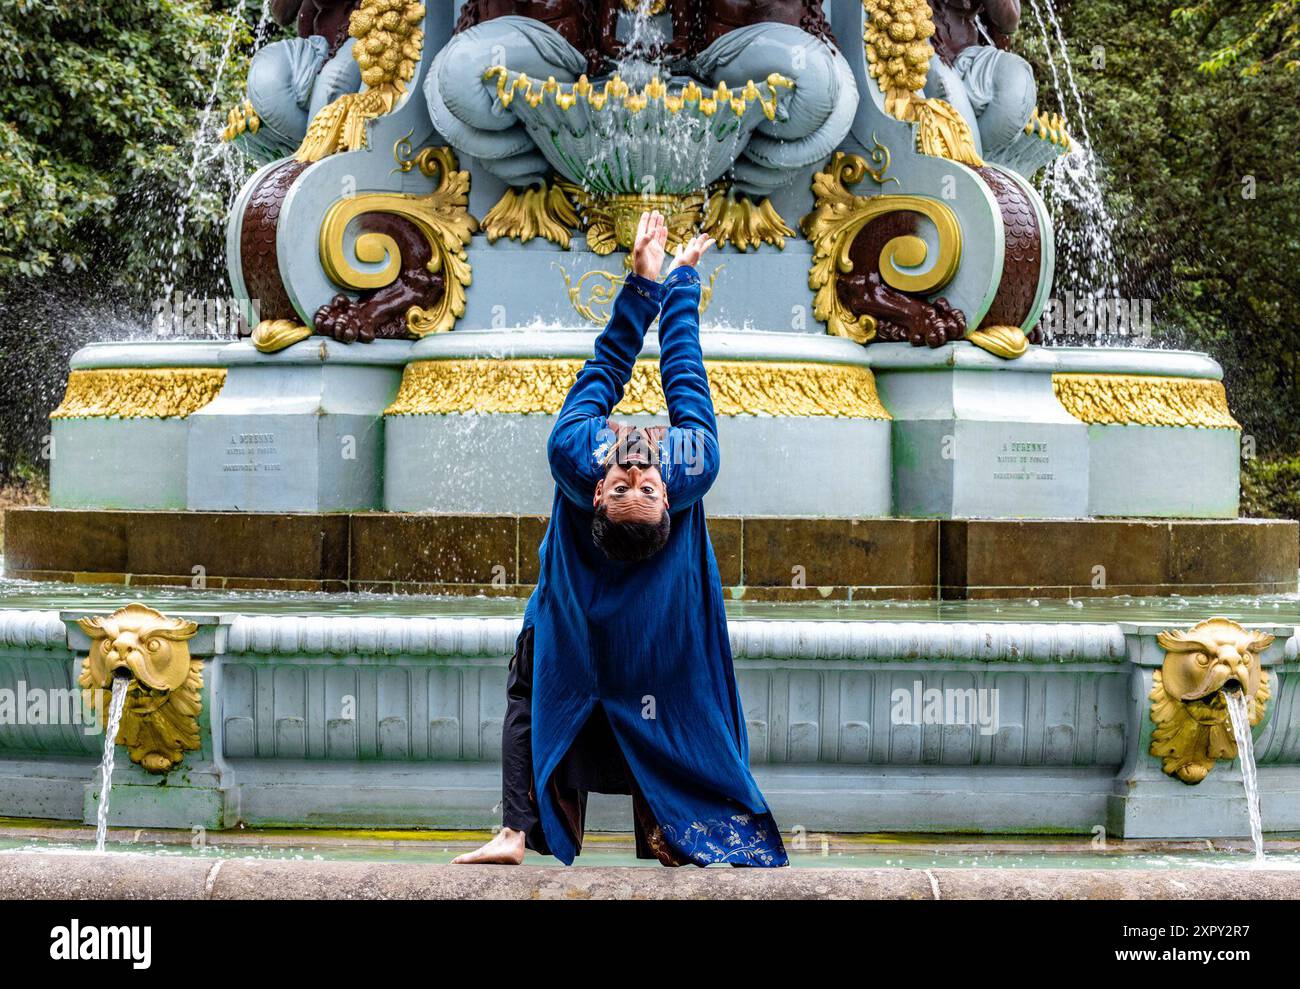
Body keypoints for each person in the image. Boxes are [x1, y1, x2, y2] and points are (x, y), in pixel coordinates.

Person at [453, 211, 788, 867]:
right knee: (667, 700)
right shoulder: (690, 462)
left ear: (594, 497)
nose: (636, 472)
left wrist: (641, 285)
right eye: (644, 486)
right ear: (671, 499)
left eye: (627, 486)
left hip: (577, 621)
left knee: (531, 684)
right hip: (658, 635)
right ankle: (667, 826)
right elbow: (685, 377)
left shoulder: (576, 453)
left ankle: (518, 830)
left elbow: (605, 368)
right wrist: (681, 283)